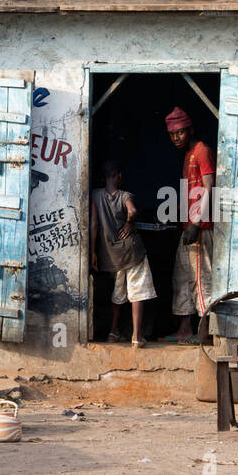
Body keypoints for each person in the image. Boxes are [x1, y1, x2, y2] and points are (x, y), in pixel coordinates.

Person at [91, 161, 157, 347]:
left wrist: (93, 252)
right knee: (138, 292)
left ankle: (113, 333)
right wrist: (129, 223)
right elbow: (133, 211)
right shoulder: (125, 195)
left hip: (111, 255)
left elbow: (94, 224)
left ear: (104, 178)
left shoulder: (95, 195)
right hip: (132, 252)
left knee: (117, 293)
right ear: (119, 176)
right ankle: (136, 337)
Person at [165, 107, 214, 343]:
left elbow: (208, 188)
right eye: (173, 134)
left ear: (190, 130)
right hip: (188, 226)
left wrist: (196, 223)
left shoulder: (201, 150)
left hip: (200, 229)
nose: (176, 138)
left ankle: (204, 332)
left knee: (201, 279)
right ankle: (185, 329)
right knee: (182, 277)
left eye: (180, 133)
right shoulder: (187, 155)